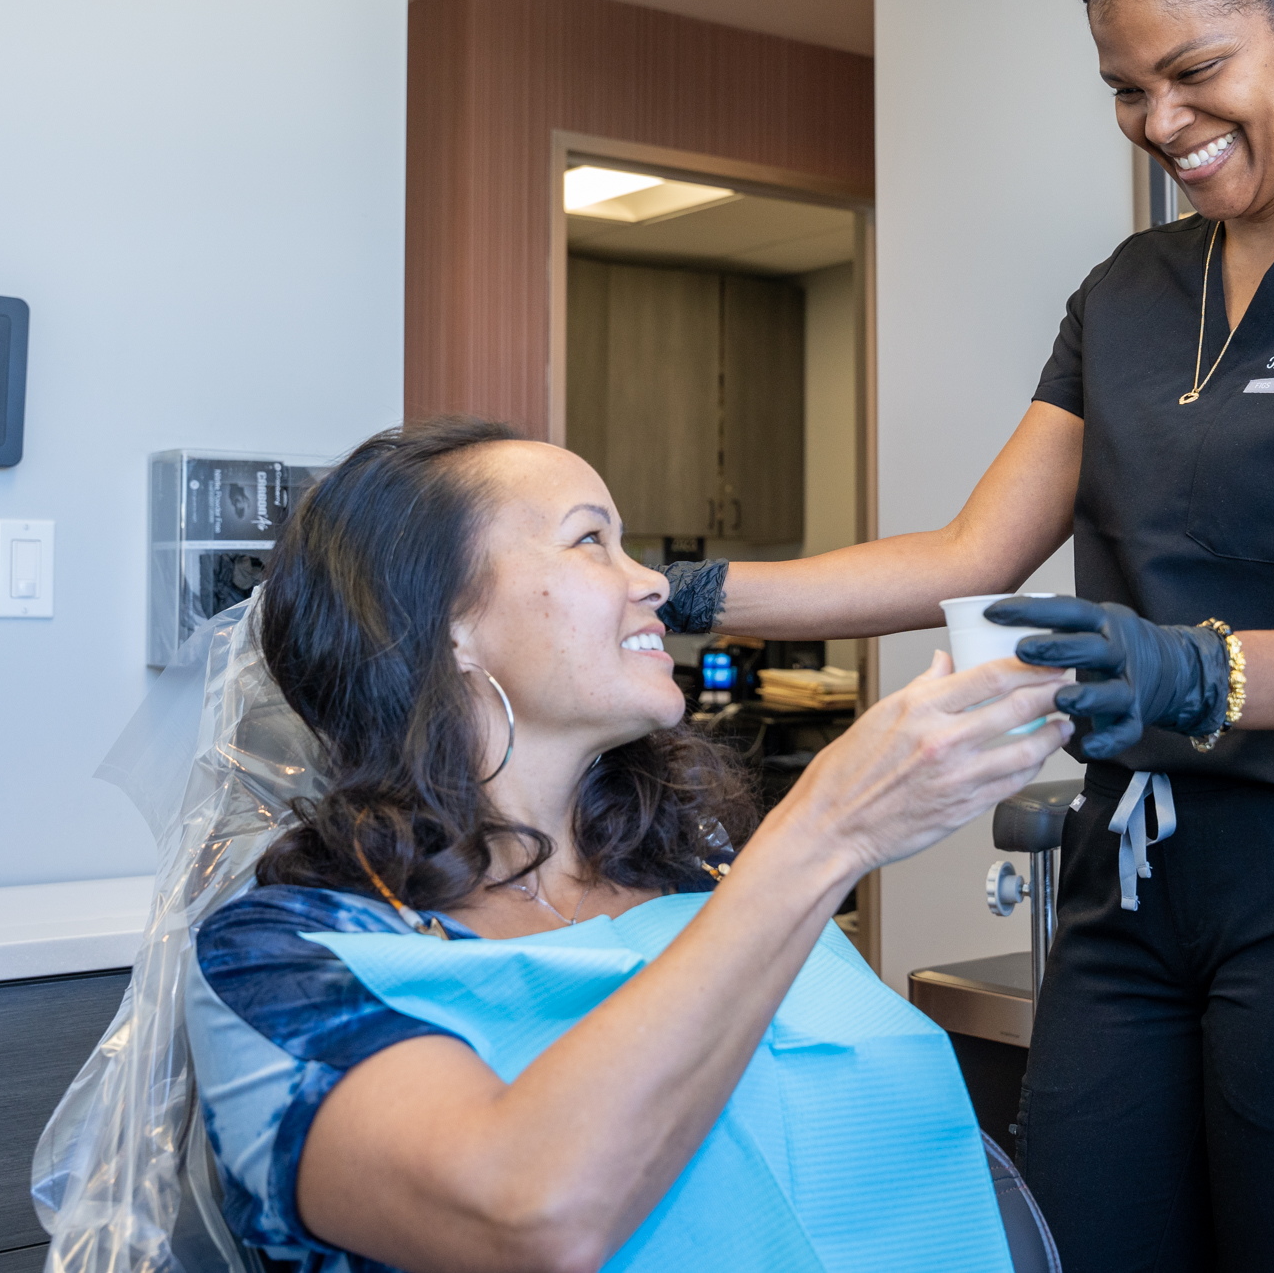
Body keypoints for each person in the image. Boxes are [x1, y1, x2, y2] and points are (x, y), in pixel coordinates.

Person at [659, 0, 1274, 1271]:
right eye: (1126, 90)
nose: (1158, 120)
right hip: (1132, 881)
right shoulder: (1126, 293)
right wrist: (687, 596)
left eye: (1190, 72)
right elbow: (969, 552)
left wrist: (1191, 672)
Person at [176, 417, 1071, 1273]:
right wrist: (824, 833)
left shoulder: (701, 875)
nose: (652, 582)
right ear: (443, 620)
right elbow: (532, 1215)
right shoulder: (286, 962)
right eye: (589, 541)